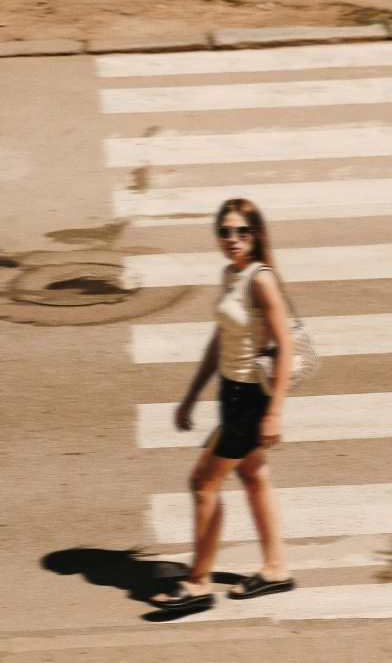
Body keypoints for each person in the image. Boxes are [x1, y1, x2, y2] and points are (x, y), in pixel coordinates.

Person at [151, 197, 295, 613]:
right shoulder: (230, 274)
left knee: (203, 482)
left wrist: (274, 412)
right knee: (252, 476)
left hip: (252, 398)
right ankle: (276, 569)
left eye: (241, 231)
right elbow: (221, 340)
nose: (232, 239)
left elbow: (284, 346)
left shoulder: (260, 279)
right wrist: (191, 394)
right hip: (229, 394)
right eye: (225, 231)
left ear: (256, 235)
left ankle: (197, 584)